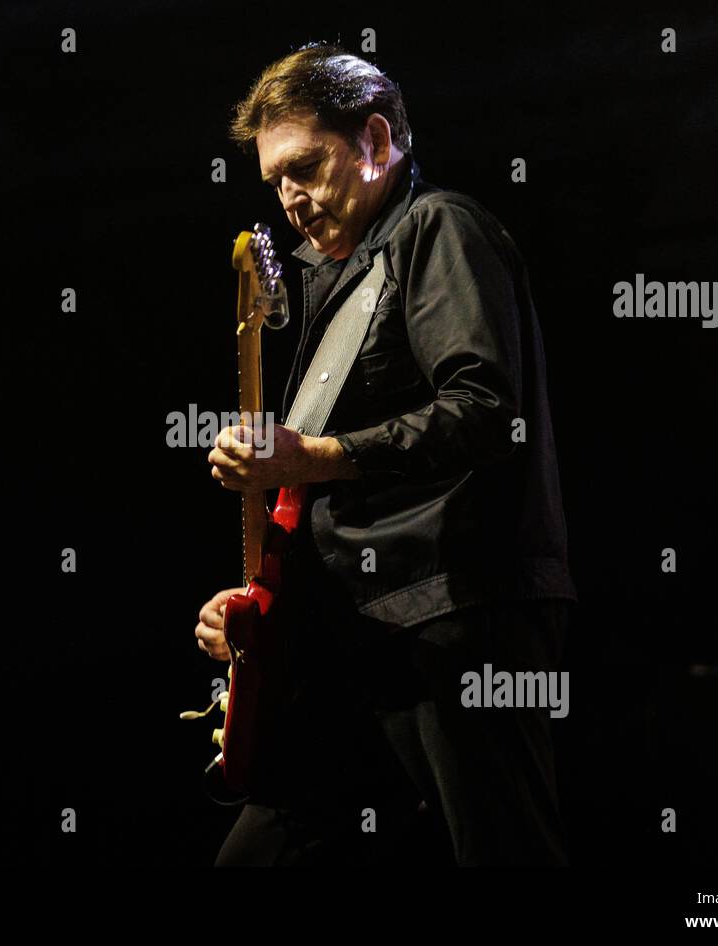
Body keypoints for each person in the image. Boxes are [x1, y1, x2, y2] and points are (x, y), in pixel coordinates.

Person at [194, 42, 578, 866]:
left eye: (305, 167)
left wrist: (314, 454)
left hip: (452, 612)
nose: (291, 199)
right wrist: (261, 610)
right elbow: (316, 496)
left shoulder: (440, 226)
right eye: (275, 183)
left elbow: (484, 410)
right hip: (353, 636)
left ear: (374, 141)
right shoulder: (334, 285)